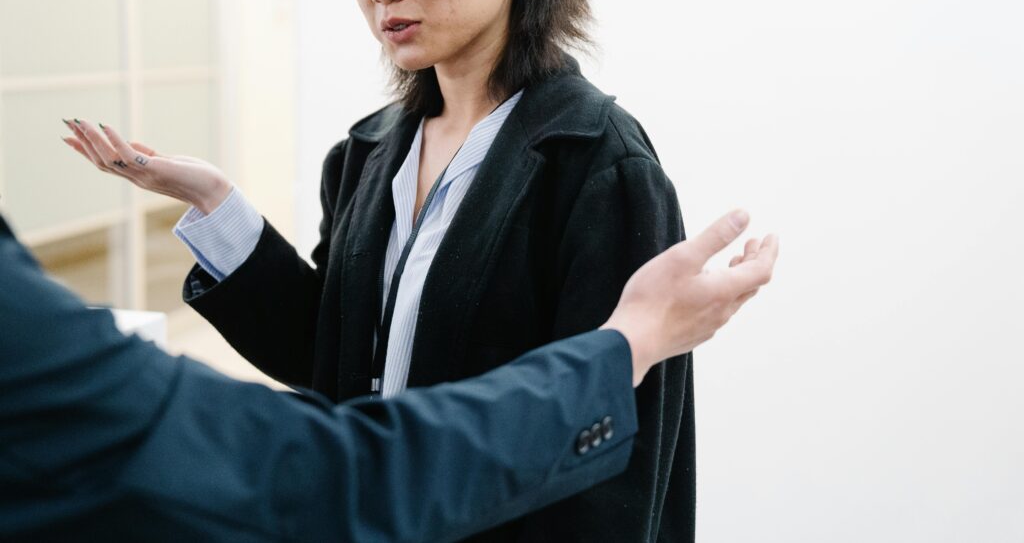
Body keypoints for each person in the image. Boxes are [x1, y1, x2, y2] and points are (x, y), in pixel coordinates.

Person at [64, 0, 697, 539]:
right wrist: (217, 205)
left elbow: (609, 450)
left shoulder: (598, 165)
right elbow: (330, 356)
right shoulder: (366, 155)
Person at [0, 208, 778, 542]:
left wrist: (629, 347)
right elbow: (334, 375)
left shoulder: (603, 160)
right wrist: (630, 341)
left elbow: (618, 496)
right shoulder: (365, 151)